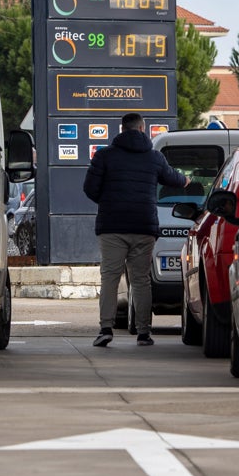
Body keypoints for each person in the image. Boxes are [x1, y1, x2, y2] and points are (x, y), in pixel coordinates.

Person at [83, 113, 190, 347]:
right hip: (143, 226)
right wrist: (187, 181)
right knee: (141, 279)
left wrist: (109, 201)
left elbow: (89, 189)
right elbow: (173, 179)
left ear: (122, 129)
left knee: (109, 278)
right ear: (142, 128)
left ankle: (105, 329)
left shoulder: (104, 156)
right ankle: (144, 333)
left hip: (112, 227)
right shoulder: (154, 157)